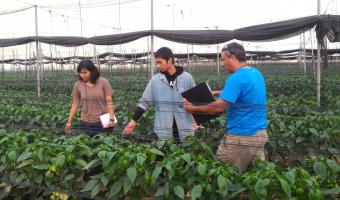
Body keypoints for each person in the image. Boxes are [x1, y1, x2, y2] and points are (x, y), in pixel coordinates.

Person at [183, 42, 268, 171]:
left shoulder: (236, 78)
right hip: (259, 134)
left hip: (241, 137)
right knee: (254, 178)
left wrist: (193, 108)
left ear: (232, 58)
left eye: (223, 60)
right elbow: (241, 92)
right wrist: (214, 93)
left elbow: (219, 108)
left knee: (225, 174)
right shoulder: (255, 73)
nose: (222, 64)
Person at [122, 47, 196, 142]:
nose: (158, 66)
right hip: (163, 127)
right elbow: (144, 102)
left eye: (160, 62)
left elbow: (195, 100)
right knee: (165, 151)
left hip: (184, 126)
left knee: (184, 151)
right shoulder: (155, 80)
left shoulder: (187, 78)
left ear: (169, 60)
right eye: (156, 63)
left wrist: (196, 120)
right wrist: (133, 121)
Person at [65, 59, 117, 137]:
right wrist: (69, 121)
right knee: (86, 146)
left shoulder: (103, 82)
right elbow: (75, 104)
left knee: (102, 146)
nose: (83, 75)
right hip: (85, 122)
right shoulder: (78, 85)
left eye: (85, 72)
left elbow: (109, 101)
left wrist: (112, 119)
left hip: (102, 121)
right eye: (81, 73)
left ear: (92, 71)